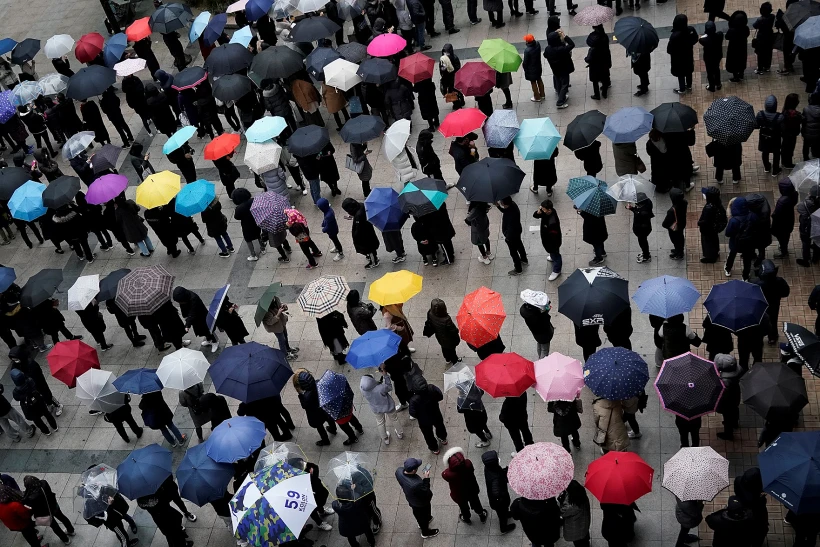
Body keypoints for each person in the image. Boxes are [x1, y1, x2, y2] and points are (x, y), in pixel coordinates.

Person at [23, 475, 76, 544]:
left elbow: (31, 507)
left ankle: (66, 540)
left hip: (45, 513)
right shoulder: (44, 483)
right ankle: (71, 531)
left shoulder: (31, 497)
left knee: (55, 527)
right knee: (62, 517)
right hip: (53, 506)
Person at [441, 447, 487, 524]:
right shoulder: (468, 464)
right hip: (472, 489)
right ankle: (481, 515)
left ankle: (467, 518)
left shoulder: (448, 474)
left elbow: (444, 475)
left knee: (463, 507)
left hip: (459, 494)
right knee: (476, 502)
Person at [395, 458, 438, 538]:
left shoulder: (399, 471)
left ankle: (425, 520)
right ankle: (425, 532)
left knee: (419, 514)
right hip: (420, 503)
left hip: (411, 499)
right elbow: (426, 492)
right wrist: (426, 478)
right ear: (414, 470)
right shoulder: (416, 484)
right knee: (422, 516)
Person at [360, 369, 403, 445]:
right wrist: (385, 376)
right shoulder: (380, 388)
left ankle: (385, 438)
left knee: (380, 422)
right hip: (388, 406)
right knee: (394, 419)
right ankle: (400, 433)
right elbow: (389, 387)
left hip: (376, 408)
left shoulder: (362, 389)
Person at [752, 259, 790, 344]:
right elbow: (786, 292)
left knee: (759, 321)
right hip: (774, 304)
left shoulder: (756, 283)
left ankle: (759, 337)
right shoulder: (779, 281)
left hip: (760, 306)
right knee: (773, 320)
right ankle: (772, 336)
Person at [10, 369, 57, 436]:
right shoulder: (30, 381)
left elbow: (17, 398)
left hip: (29, 407)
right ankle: (54, 426)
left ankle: (46, 431)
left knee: (37, 420)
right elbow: (35, 387)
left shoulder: (16, 391)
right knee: (47, 413)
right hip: (38, 401)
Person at [173, 287, 219, 352]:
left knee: (208, 330)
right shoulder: (185, 298)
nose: (180, 303)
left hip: (202, 317)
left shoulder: (194, 299)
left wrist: (187, 325)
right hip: (196, 319)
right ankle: (209, 340)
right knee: (202, 331)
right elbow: (183, 308)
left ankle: (215, 341)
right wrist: (185, 316)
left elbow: (193, 312)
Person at [480, 451, 516, 534]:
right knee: (502, 516)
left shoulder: (488, 468)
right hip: (499, 502)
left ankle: (506, 513)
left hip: (496, 501)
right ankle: (503, 528)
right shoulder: (495, 478)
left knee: (504, 512)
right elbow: (496, 491)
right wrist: (502, 496)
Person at [342, 198, 380, 268]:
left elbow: (359, 228)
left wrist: (355, 235)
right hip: (368, 230)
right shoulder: (361, 206)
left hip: (365, 235)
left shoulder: (358, 216)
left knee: (369, 249)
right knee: (371, 247)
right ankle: (373, 257)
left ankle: (374, 262)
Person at [231, 188, 266, 261]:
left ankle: (253, 255)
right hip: (256, 222)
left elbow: (237, 217)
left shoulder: (239, 208)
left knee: (248, 239)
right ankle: (262, 248)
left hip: (247, 226)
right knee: (258, 235)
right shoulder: (253, 200)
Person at [724, 196, 755, 278]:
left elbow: (727, 233)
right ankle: (745, 276)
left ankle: (728, 269)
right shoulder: (752, 216)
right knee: (747, 260)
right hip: (748, 243)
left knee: (732, 255)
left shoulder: (734, 220)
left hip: (736, 243)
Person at [495, 197, 527, 275]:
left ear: (503, 203)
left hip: (511, 235)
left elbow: (509, 226)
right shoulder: (513, 205)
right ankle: (524, 259)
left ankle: (518, 269)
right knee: (519, 245)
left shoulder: (510, 213)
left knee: (513, 252)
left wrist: (507, 237)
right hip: (517, 230)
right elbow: (505, 211)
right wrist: (498, 206)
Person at [423, 299, 461, 364]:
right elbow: (453, 330)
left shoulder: (430, 313)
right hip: (449, 339)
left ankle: (447, 359)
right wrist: (457, 330)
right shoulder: (446, 319)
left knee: (444, 348)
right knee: (452, 350)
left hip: (439, 336)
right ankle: (455, 361)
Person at [532, 200, 562, 280]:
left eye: (543, 209)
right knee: (552, 253)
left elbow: (553, 237)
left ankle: (557, 270)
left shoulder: (552, 222)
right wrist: (538, 212)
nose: (542, 210)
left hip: (553, 242)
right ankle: (552, 256)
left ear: (549, 210)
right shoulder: (546, 212)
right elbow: (535, 216)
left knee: (556, 255)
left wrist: (551, 247)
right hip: (547, 239)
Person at [668, 14, 698, 94]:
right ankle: (689, 85)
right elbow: (695, 39)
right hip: (688, 55)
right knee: (688, 71)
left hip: (678, 58)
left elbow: (669, 49)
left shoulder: (674, 36)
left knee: (680, 73)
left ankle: (682, 89)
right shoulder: (690, 30)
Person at [543, 30, 574, 108]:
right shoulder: (561, 49)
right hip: (564, 69)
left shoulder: (548, 49)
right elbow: (572, 44)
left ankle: (562, 97)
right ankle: (560, 102)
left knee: (558, 83)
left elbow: (545, 55)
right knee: (565, 84)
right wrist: (564, 36)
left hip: (555, 69)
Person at [519, 289, 553, 358]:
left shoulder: (525, 311)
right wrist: (546, 311)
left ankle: (539, 358)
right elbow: (546, 321)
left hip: (536, 334)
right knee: (544, 350)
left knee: (540, 344)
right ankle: (542, 363)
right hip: (544, 334)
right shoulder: (538, 316)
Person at [756, 95, 785, 176]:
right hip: (775, 139)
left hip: (764, 137)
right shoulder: (780, 117)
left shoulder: (760, 114)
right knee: (776, 153)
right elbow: (783, 130)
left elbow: (756, 126)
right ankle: (775, 170)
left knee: (765, 152)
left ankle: (767, 167)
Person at [559, 480, 591, 547]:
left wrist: (561, 501)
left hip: (576, 529)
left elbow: (562, 512)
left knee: (579, 543)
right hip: (584, 523)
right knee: (585, 538)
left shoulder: (571, 506)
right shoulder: (582, 496)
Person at [772, 178, 798, 258]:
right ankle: (784, 248)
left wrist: (772, 215)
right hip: (789, 220)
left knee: (782, 238)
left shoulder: (782, 201)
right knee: (786, 236)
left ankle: (784, 252)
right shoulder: (794, 194)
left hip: (781, 225)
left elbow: (776, 214)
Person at [625, 194, 654, 264]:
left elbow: (637, 214)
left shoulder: (642, 213)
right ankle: (645, 253)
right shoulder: (648, 203)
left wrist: (633, 209)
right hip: (646, 229)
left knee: (643, 243)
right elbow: (637, 210)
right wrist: (632, 208)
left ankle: (646, 256)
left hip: (641, 231)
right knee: (644, 242)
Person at [586, 25, 611, 100]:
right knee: (605, 77)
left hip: (595, 64)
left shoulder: (593, 41)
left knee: (595, 80)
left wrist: (586, 59)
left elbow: (589, 58)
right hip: (605, 60)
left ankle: (597, 95)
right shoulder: (605, 37)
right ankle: (604, 93)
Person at [725, 11, 750, 82]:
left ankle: (736, 77)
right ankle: (741, 74)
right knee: (741, 60)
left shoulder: (732, 30)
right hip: (742, 48)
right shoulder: (745, 28)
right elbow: (747, 34)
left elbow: (727, 37)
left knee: (733, 62)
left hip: (733, 49)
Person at [663, 188, 687, 260]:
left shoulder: (671, 211)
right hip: (681, 224)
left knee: (675, 240)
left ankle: (679, 253)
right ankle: (679, 250)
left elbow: (666, 223)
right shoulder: (684, 202)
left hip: (674, 228)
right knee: (680, 238)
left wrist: (665, 225)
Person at [798, 189, 820, 266]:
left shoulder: (805, 204)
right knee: (817, 242)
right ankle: (815, 258)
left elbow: (799, 209)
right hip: (818, 227)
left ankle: (806, 260)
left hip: (807, 226)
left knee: (805, 242)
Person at [700, 21, 724, 91]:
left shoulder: (704, 40)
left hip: (709, 58)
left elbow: (701, 39)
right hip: (718, 56)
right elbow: (719, 32)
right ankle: (718, 84)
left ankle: (712, 86)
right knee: (717, 69)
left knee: (710, 72)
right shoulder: (720, 35)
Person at [753, 2, 776, 74]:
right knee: (768, 52)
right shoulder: (772, 17)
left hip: (761, 38)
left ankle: (760, 68)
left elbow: (754, 26)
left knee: (760, 53)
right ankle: (767, 66)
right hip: (769, 36)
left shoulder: (760, 20)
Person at [439, 44, 464, 109]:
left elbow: (457, 68)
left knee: (455, 91)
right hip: (448, 79)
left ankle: (458, 104)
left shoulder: (454, 58)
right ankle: (458, 102)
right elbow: (441, 70)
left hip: (454, 78)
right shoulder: (443, 60)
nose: (446, 54)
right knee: (453, 91)